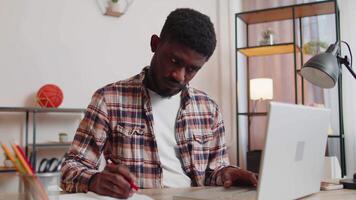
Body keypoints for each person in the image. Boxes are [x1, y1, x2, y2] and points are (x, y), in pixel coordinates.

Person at [61, 8, 257, 199]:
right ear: (155, 44)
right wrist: (95, 180)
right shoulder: (109, 100)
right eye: (174, 60)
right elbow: (71, 168)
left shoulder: (208, 109)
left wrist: (228, 174)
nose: (179, 76)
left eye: (192, 69)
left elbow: (213, 172)